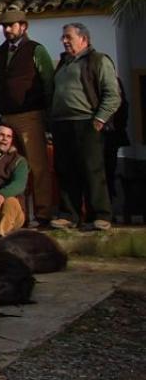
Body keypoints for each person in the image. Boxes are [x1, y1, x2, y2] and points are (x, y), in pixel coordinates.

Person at [50, 22, 121, 231]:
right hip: (62, 124)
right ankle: (69, 215)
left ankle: (100, 215)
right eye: (63, 37)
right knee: (66, 170)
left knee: (92, 170)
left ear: (84, 39)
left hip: (87, 122)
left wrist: (100, 119)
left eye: (68, 37)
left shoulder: (98, 60)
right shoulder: (63, 63)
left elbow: (112, 94)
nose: (64, 41)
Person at [0, 10, 55, 225]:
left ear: (24, 26)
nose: (7, 30)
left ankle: (43, 213)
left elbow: (48, 82)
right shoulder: (1, 52)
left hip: (30, 115)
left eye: (11, 25)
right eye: (5, 26)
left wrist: (47, 115)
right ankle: (18, 216)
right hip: (7, 116)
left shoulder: (36, 50)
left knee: (37, 166)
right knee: (12, 167)